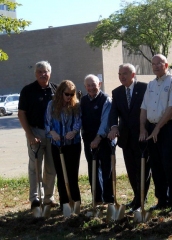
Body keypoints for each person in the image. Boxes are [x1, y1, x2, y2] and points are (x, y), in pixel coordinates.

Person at [139, 54, 172, 214]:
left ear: (166, 65)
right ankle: (162, 200)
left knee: (171, 165)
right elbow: (144, 108)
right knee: (156, 165)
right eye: (153, 64)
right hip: (151, 129)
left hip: (168, 129)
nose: (156, 66)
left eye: (160, 63)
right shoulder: (150, 85)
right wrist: (143, 128)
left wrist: (158, 128)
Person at [108, 63, 151, 213]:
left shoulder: (144, 88)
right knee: (131, 170)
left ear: (133, 74)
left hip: (142, 135)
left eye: (125, 74)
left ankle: (142, 199)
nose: (122, 77)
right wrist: (113, 127)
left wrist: (144, 129)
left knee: (143, 169)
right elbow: (113, 113)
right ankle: (136, 197)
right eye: (119, 74)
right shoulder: (117, 92)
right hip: (126, 138)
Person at [18, 60, 58, 210]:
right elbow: (21, 114)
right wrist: (29, 134)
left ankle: (49, 197)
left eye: (45, 71)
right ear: (35, 74)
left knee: (51, 167)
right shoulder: (28, 90)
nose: (42, 74)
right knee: (35, 167)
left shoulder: (56, 89)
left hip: (52, 134)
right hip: (35, 132)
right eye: (39, 72)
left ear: (50, 73)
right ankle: (35, 198)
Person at [45, 80, 82, 211]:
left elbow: (79, 121)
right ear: (61, 93)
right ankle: (64, 203)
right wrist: (52, 132)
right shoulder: (52, 105)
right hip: (57, 145)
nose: (69, 97)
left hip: (73, 144)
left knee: (72, 174)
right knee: (61, 175)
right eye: (67, 94)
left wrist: (74, 131)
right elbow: (47, 122)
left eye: (72, 94)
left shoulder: (76, 105)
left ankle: (75, 201)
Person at [81, 74, 114, 204]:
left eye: (93, 84)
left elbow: (106, 121)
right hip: (89, 140)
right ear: (85, 87)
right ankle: (97, 198)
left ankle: (108, 199)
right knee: (93, 169)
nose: (91, 87)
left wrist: (98, 138)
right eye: (88, 85)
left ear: (99, 84)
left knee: (107, 170)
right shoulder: (83, 100)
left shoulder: (106, 99)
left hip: (104, 140)